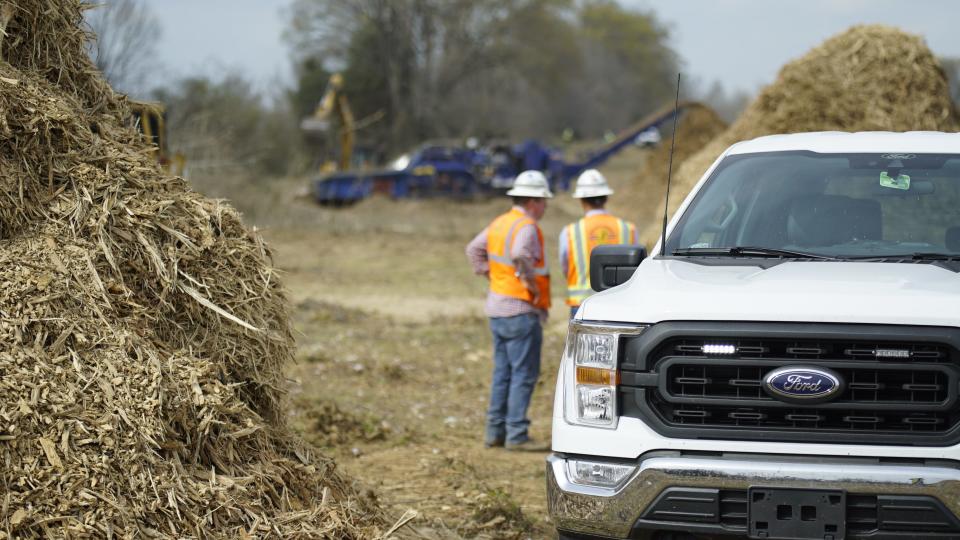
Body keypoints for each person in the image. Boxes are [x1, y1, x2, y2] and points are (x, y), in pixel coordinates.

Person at [465, 170, 552, 451]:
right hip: (520, 310)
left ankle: (495, 432)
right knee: (523, 374)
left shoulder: (500, 222)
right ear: (533, 201)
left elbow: (472, 250)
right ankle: (516, 434)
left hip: (497, 309)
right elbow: (519, 255)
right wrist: (530, 285)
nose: (545, 206)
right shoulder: (526, 226)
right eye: (543, 200)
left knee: (502, 373)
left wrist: (492, 275)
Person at [559, 169, 637, 318]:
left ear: (581, 200)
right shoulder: (628, 229)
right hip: (618, 304)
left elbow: (566, 267)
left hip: (582, 305)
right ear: (606, 198)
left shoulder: (570, 232)